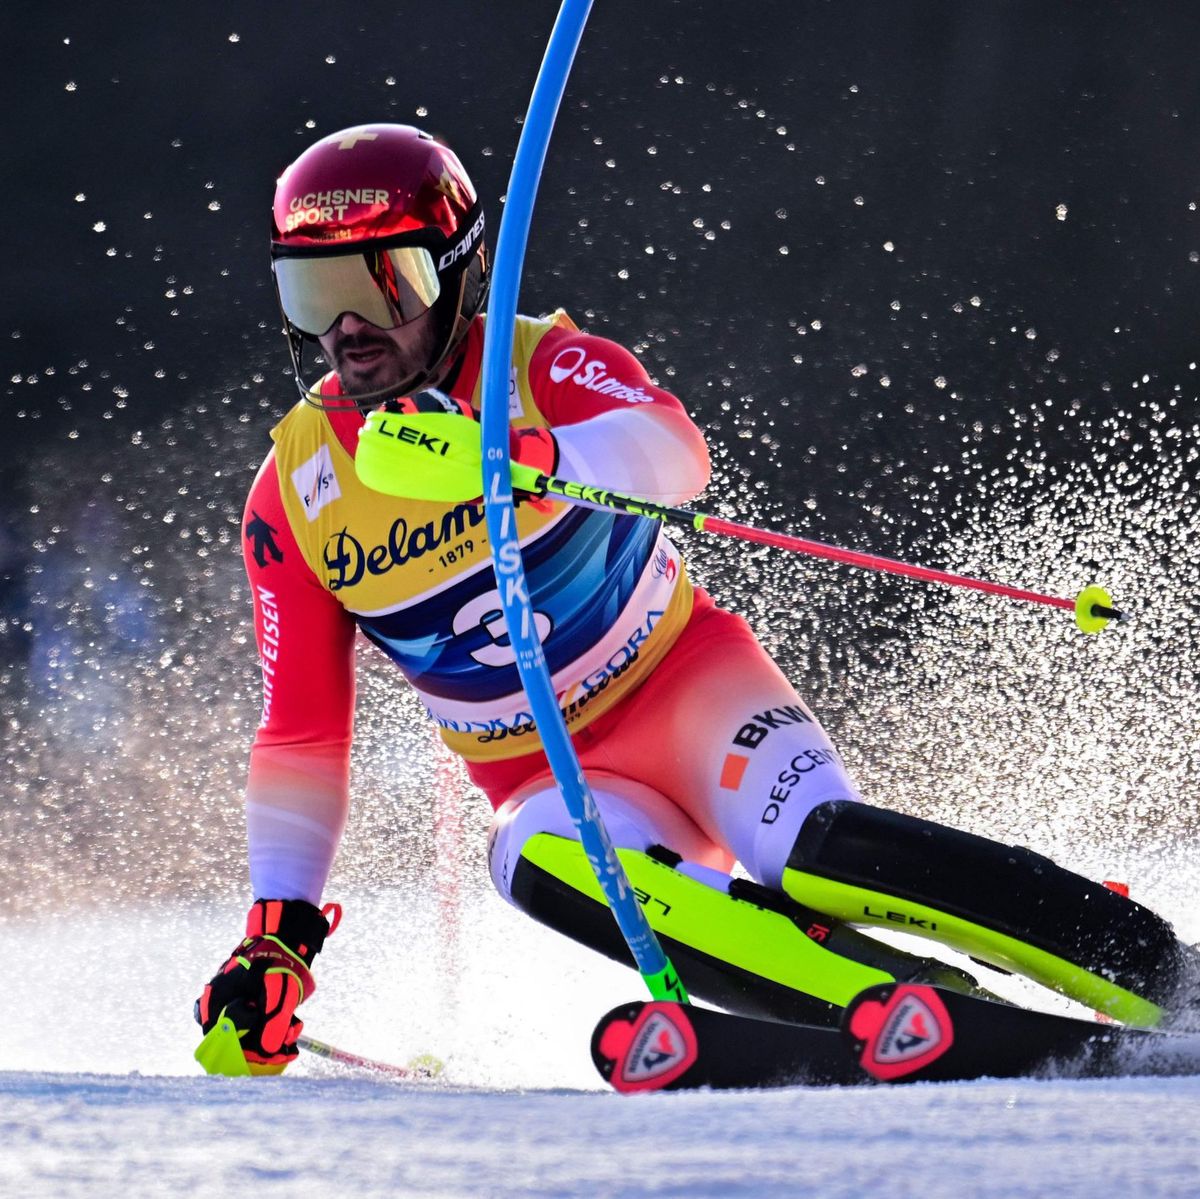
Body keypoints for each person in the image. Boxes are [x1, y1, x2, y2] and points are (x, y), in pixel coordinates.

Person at [195, 123, 1193, 1075]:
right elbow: (300, 732)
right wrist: (277, 938)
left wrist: (516, 458)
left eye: (384, 286)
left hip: (689, 693)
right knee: (536, 860)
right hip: (548, 778)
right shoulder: (294, 494)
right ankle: (906, 1002)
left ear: (459, 273)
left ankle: (1151, 965)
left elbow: (674, 453)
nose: (348, 330)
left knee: (813, 852)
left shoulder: (539, 361)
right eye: (312, 291)